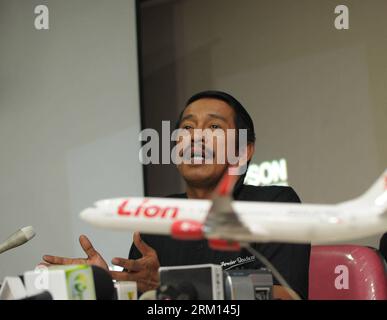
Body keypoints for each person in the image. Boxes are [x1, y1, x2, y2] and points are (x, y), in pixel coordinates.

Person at [42, 91, 310, 299]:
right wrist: (106, 286)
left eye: (214, 127)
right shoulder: (156, 218)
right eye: (187, 128)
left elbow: (287, 296)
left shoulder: (275, 205)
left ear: (243, 150)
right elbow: (144, 295)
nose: (196, 138)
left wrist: (169, 287)